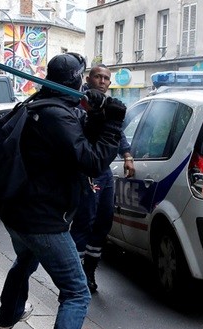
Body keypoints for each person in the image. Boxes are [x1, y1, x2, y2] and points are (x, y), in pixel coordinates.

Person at [0, 53, 125, 329]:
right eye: (82, 78)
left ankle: (9, 314)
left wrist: (96, 114)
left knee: (26, 259)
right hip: (42, 219)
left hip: (18, 213)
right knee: (77, 292)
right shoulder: (56, 114)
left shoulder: (39, 105)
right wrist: (113, 123)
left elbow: (75, 144)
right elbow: (92, 160)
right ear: (74, 80)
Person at [70, 64, 135, 293]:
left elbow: (117, 132)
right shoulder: (79, 102)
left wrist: (127, 156)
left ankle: (89, 271)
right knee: (84, 221)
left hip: (104, 171)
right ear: (88, 79)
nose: (102, 81)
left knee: (103, 221)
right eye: (98, 77)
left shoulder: (108, 104)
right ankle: (75, 276)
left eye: (106, 78)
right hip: (87, 170)